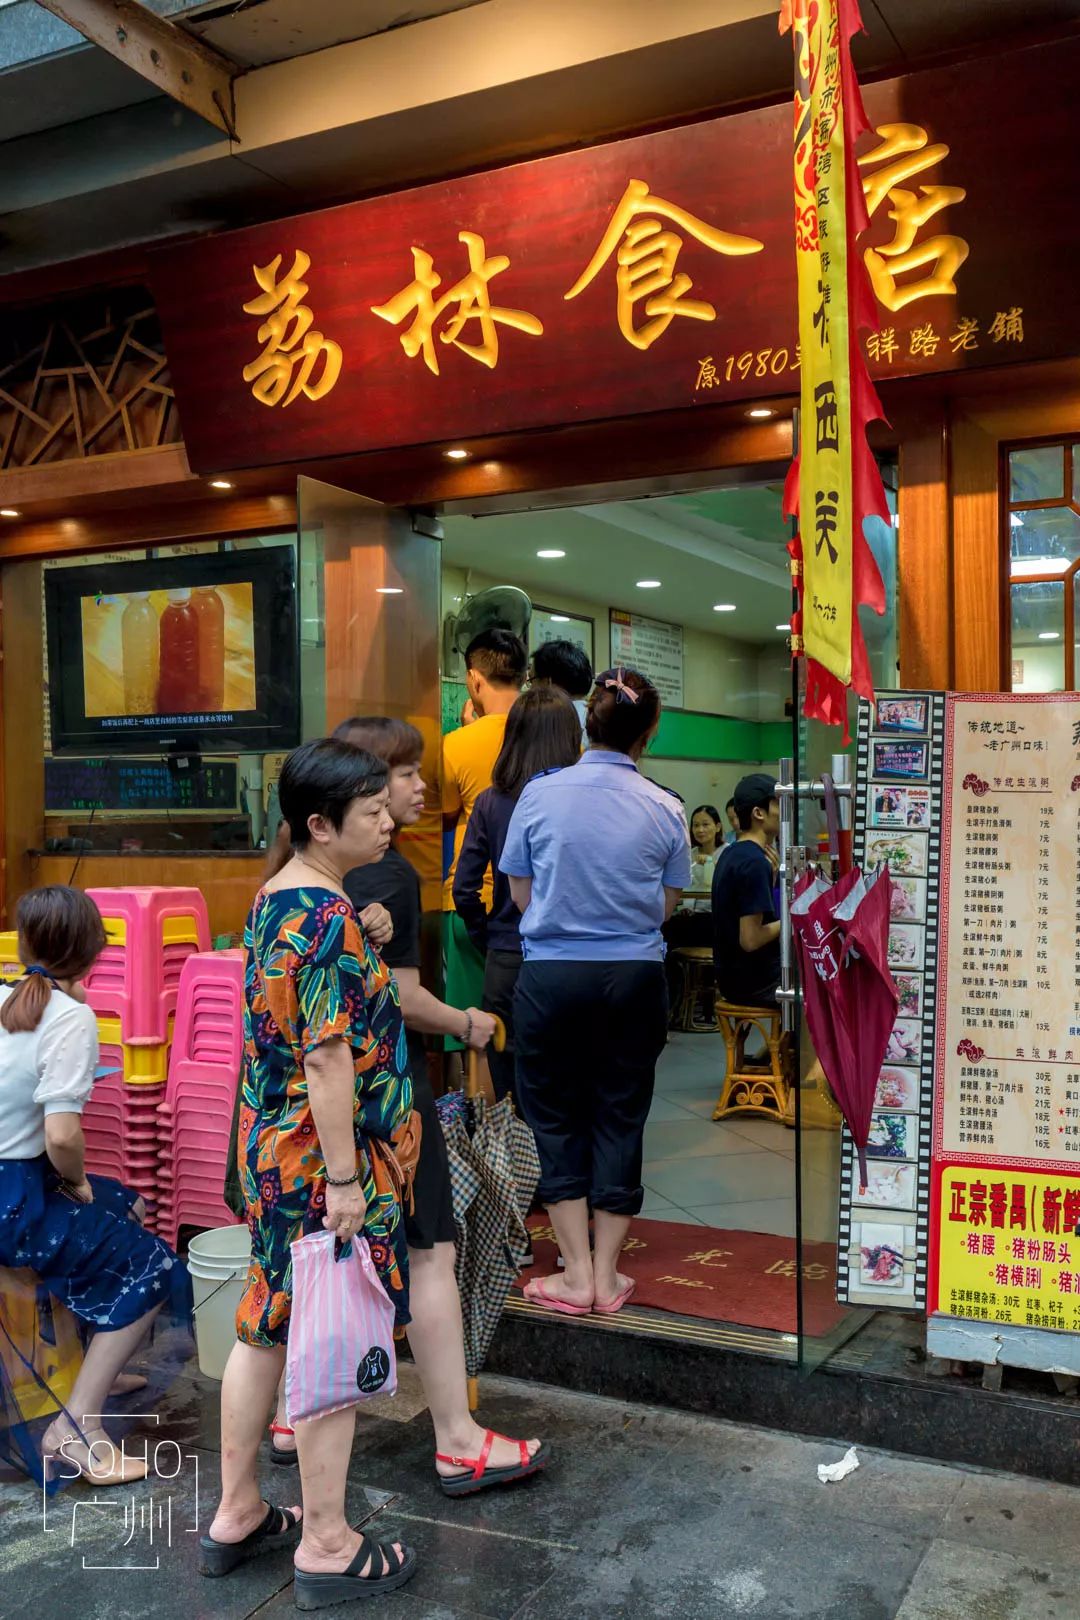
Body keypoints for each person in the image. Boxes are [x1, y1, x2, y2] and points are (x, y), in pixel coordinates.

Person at [201, 739, 418, 1603]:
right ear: (320, 825)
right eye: (370, 809)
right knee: (332, 1328)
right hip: (318, 1164)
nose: (387, 819)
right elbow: (326, 1057)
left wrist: (363, 932)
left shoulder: (284, 900)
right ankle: (326, 1538)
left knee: (265, 1323)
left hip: (269, 1152)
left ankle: (238, 1511)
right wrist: (344, 1182)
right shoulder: (322, 918)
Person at [332, 716, 548, 1496]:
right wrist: (469, 1024)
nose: (420, 787)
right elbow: (402, 995)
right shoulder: (385, 873)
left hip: (309, 1105)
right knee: (432, 1250)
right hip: (386, 1089)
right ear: (360, 789)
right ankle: (457, 1438)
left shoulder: (290, 876)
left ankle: (297, 1421)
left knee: (315, 1259)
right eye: (404, 773)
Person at [499, 666, 691, 1316]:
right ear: (651, 731)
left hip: (552, 977)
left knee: (552, 1117)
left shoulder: (538, 796)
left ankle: (574, 1273)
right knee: (620, 1114)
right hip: (634, 979)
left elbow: (521, 896)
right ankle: (607, 1276)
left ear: (588, 722)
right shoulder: (667, 807)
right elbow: (665, 909)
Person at [0, 886, 191, 1487]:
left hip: (16, 1184)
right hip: (15, 1199)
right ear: (93, 955)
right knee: (154, 1266)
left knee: (128, 1202)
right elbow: (61, 1136)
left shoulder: (13, 997)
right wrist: (77, 1181)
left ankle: (94, 1365)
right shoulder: (71, 1018)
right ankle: (77, 1428)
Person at [453, 686, 582, 1103]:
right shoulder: (581, 800)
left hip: (507, 954)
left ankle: (520, 1163)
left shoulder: (491, 801)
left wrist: (486, 933)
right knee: (564, 1074)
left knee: (509, 1083)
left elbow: (465, 886)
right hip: (569, 957)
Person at [442, 628, 527, 1049]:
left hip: (473, 899)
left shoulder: (456, 744)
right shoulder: (553, 742)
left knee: (475, 1031)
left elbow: (441, 813)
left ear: (474, 679)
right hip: (534, 909)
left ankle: (486, 1114)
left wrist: (465, 732)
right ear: (523, 678)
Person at [711, 772, 782, 1008]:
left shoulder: (732, 853)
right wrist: (793, 921)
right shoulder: (754, 862)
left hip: (731, 977)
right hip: (755, 983)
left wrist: (771, 881)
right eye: (778, 804)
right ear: (758, 813)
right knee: (822, 984)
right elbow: (751, 939)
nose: (784, 812)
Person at [530, 638, 593, 735]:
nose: (530, 688)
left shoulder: (545, 727)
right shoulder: (597, 721)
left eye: (531, 680)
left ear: (548, 683)